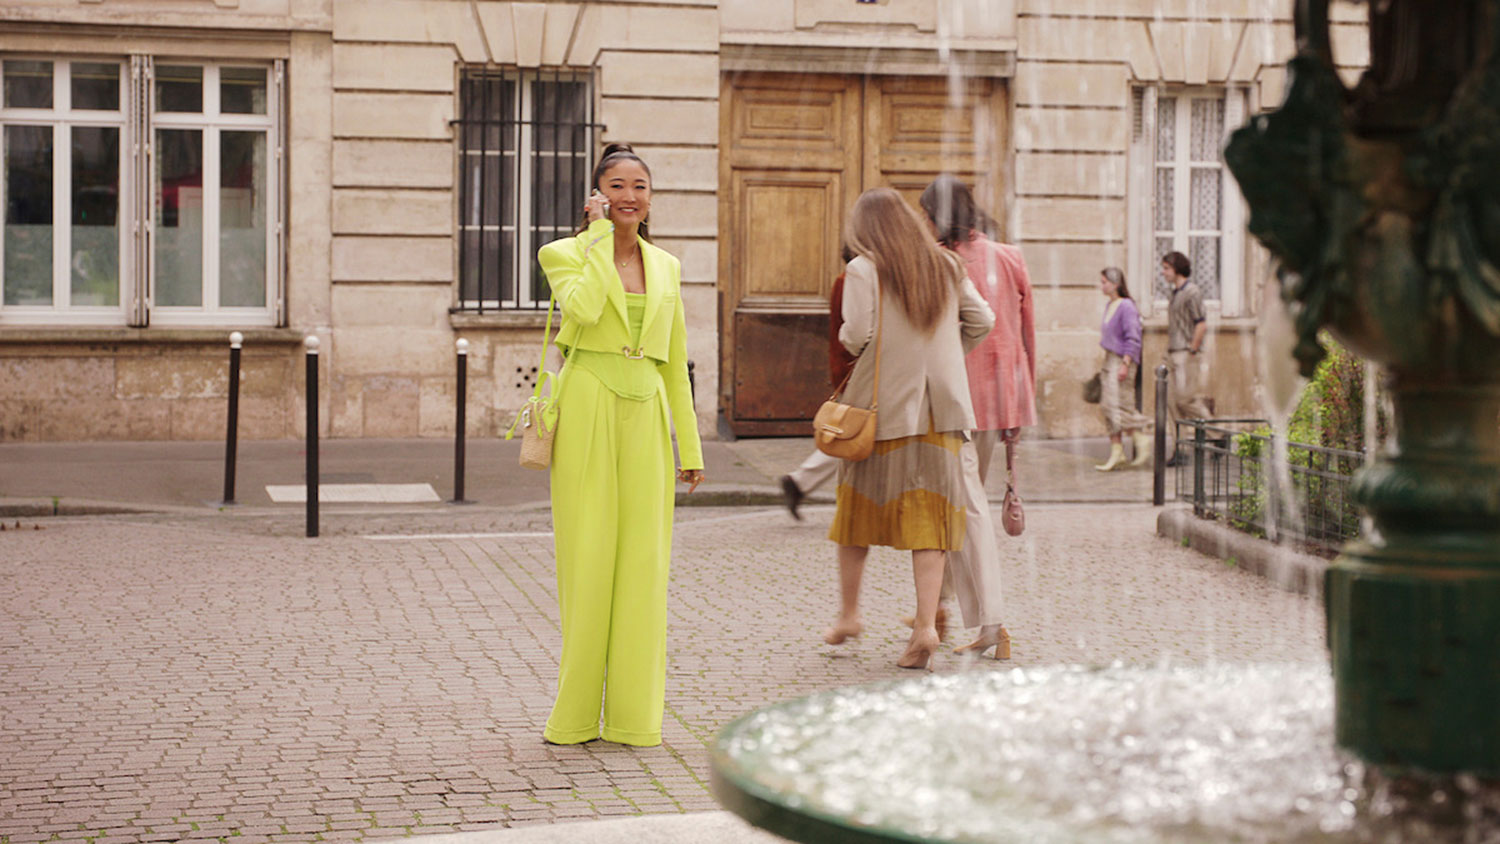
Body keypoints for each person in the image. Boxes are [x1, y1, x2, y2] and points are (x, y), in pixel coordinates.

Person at [535, 142, 704, 747]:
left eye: (640, 186)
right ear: (597, 196)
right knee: (588, 562)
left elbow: (674, 361)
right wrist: (599, 241)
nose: (629, 196)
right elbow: (579, 311)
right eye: (617, 185)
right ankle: (575, 717)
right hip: (586, 406)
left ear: (650, 197)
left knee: (643, 569)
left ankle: (634, 720)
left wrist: (691, 449)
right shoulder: (561, 253)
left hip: (647, 413)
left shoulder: (668, 267)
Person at [823, 188, 994, 671]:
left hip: (881, 413)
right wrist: (944, 354)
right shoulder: (946, 266)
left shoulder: (863, 270)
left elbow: (857, 336)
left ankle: (850, 614)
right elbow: (983, 320)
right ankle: (924, 627)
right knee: (931, 522)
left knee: (856, 515)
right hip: (941, 412)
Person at [918, 175, 1033, 659]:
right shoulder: (1009, 256)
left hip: (956, 402)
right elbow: (1026, 335)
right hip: (1001, 397)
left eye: (926, 214)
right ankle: (942, 607)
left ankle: (985, 621)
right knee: (963, 507)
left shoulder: (942, 264)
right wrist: (1021, 406)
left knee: (963, 510)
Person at [780, 248, 859, 519]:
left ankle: (801, 481)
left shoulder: (848, 280)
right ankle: (801, 481)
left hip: (851, 366)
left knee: (854, 434)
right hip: (855, 369)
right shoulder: (850, 281)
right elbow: (854, 331)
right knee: (854, 433)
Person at [1094, 267, 1153, 471]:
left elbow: (1133, 336)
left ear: (1115, 283)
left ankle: (1142, 432)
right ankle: (1117, 451)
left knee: (1122, 405)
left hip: (1122, 360)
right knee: (1107, 406)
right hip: (1109, 359)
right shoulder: (1110, 305)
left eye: (1104, 282)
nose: (1102, 285)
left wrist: (1126, 363)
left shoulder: (1127, 306)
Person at [1162, 251, 1212, 465]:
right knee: (1170, 402)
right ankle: (1178, 447)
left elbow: (1201, 323)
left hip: (1185, 352)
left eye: (1166, 268)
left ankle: (1218, 435)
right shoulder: (1174, 294)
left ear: (1176, 268)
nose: (1163, 272)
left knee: (1186, 400)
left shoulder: (1192, 292)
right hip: (1172, 352)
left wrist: (1192, 349)